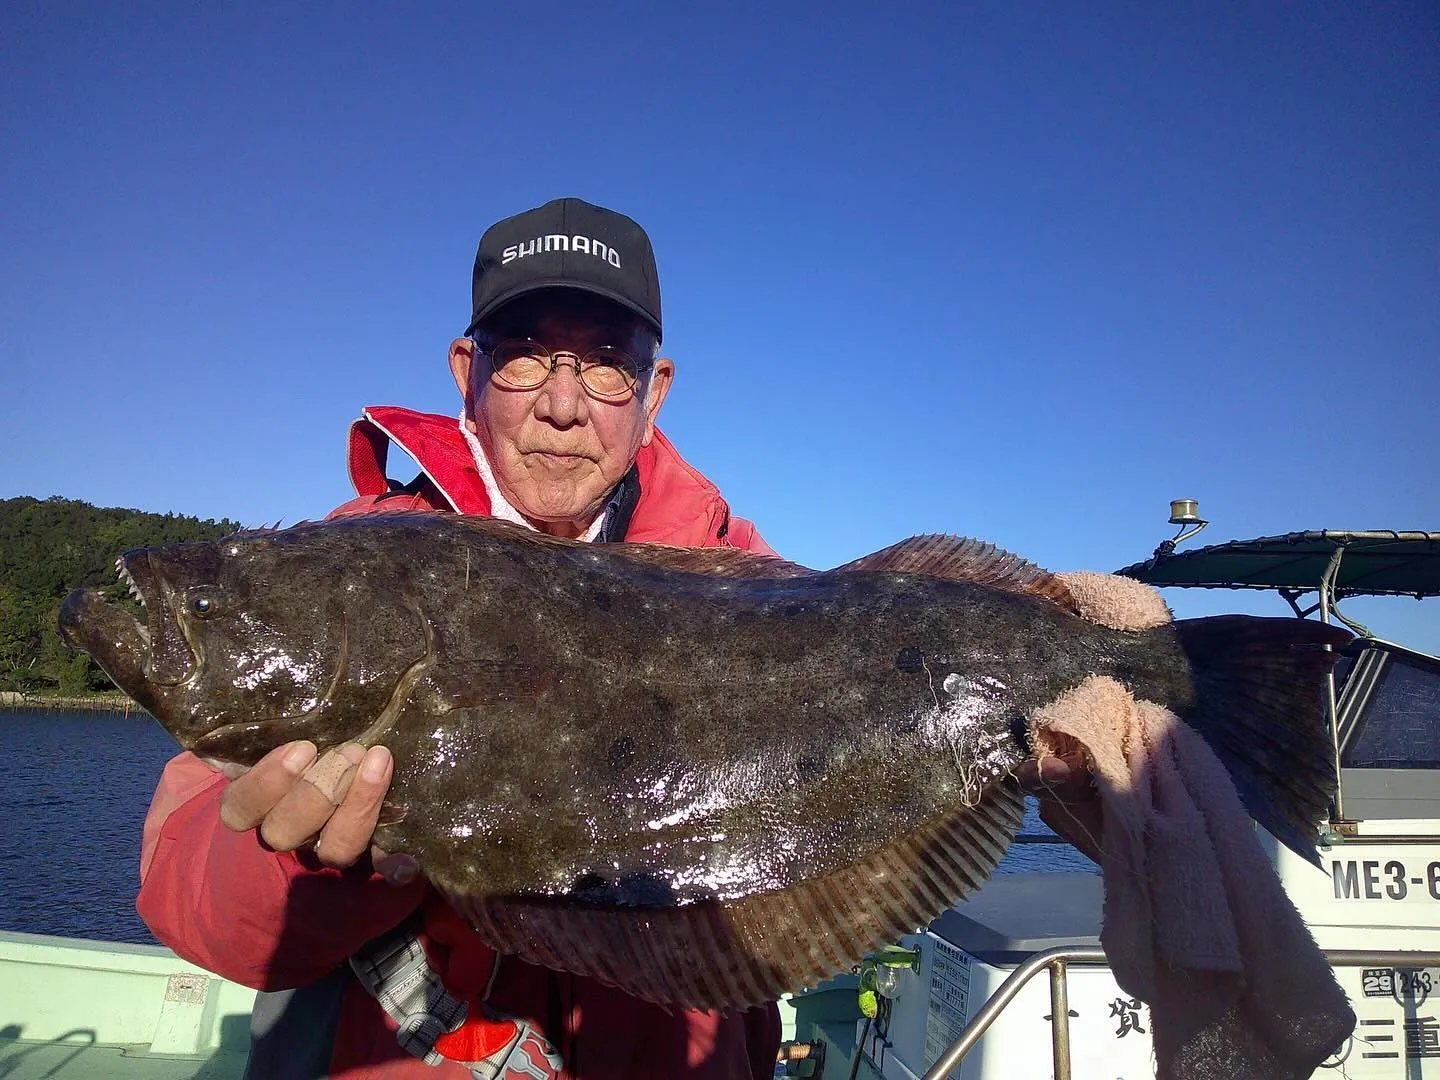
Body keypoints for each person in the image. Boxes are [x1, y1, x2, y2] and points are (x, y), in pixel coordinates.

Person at [136, 198, 783, 1079]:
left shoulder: (744, 580)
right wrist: (303, 868)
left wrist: (1033, 745)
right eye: (523, 356)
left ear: (654, 390)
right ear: (466, 370)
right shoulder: (344, 567)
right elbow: (191, 903)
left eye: (604, 365)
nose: (563, 405)